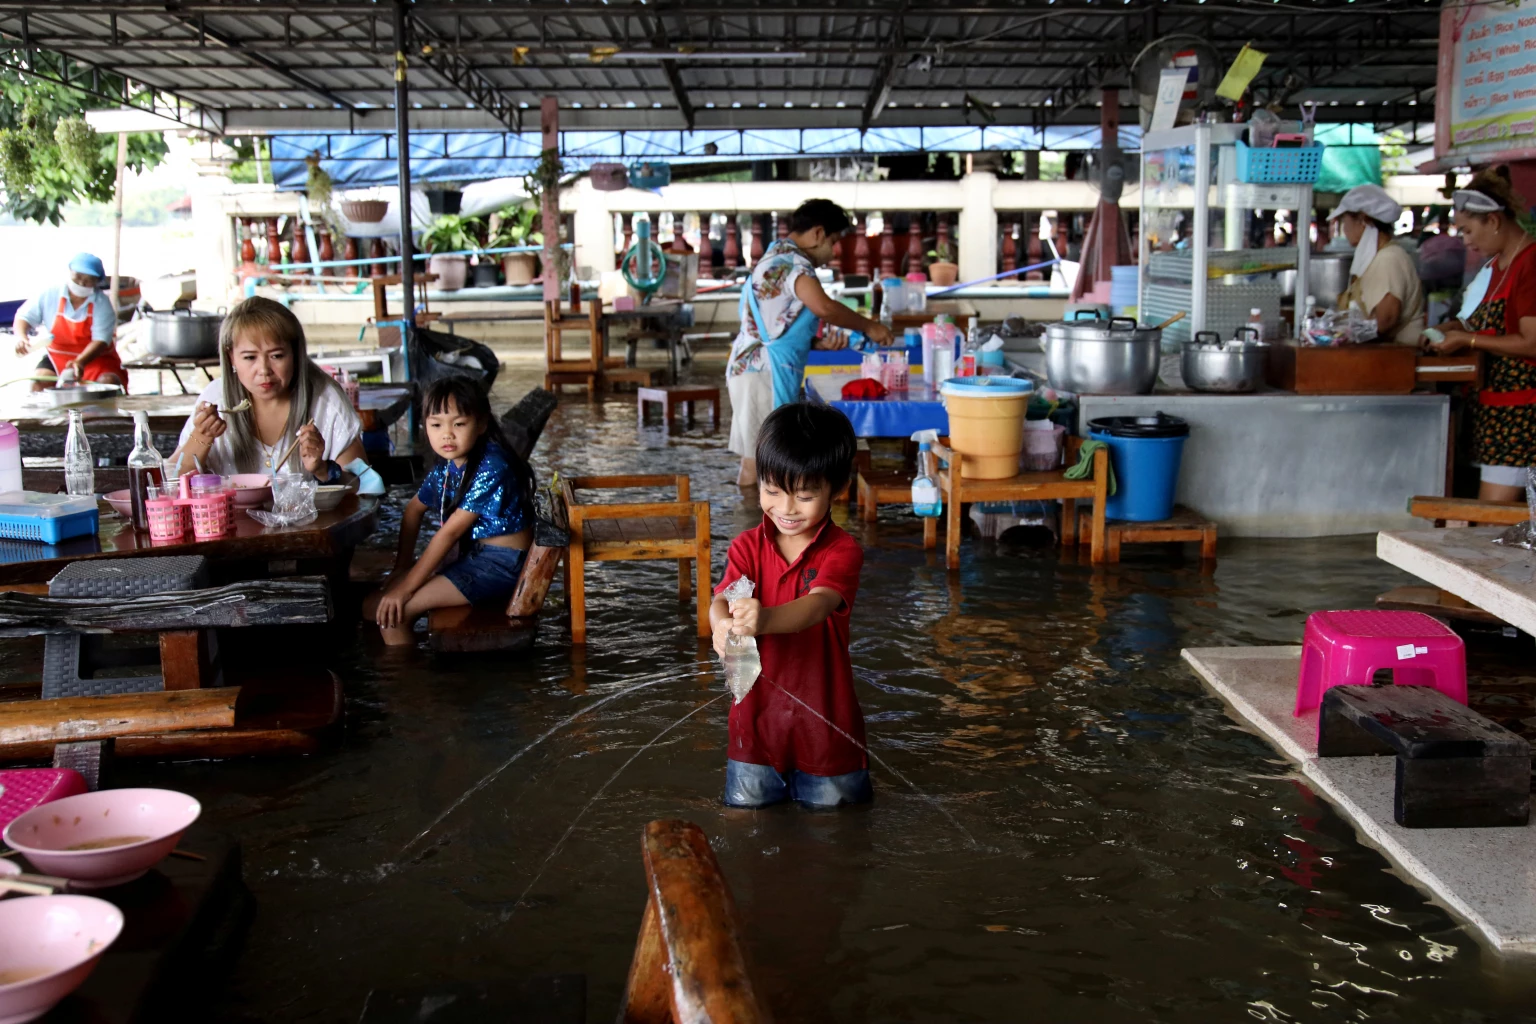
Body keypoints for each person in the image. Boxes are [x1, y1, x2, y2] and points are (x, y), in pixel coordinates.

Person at [711, 402, 870, 809]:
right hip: (755, 723)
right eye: (772, 491)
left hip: (825, 726)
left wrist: (763, 619)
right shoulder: (746, 547)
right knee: (746, 827)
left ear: (837, 488)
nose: (785, 509)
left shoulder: (842, 551)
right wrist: (720, 626)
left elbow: (817, 606)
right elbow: (722, 601)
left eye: (803, 496)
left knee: (834, 837)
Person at [726, 199, 894, 487]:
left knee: (757, 460)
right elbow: (825, 307)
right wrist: (870, 326)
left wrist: (818, 345)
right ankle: (753, 528)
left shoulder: (773, 257)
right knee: (762, 464)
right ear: (818, 233)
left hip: (754, 369)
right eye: (834, 240)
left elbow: (776, 323)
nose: (834, 251)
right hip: (762, 373)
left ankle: (753, 525)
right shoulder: (793, 264)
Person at [364, 377, 535, 645]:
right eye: (436, 424)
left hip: (501, 564)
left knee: (394, 615)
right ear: (426, 427)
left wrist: (405, 588)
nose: (447, 434)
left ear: (481, 424)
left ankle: (408, 683)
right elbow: (412, 510)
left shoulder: (493, 465)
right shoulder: (447, 466)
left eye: (458, 424)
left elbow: (450, 533)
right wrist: (401, 569)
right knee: (370, 607)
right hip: (474, 556)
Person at [171, 296, 376, 487]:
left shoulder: (325, 401)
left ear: (295, 354)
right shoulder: (217, 399)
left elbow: (364, 486)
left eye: (276, 356)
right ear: (231, 357)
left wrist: (323, 469)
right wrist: (202, 437)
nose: (264, 370)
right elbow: (171, 483)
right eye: (250, 358)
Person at [1424, 166, 1536, 501]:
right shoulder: (1497, 266)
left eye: (1469, 231)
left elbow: (1531, 341)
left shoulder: (1529, 264)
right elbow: (1488, 323)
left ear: (1494, 221)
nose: (1467, 241)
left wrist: (1466, 340)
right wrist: (1451, 329)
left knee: (1490, 521)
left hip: (1522, 415)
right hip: (1496, 412)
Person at [12, 252, 125, 391]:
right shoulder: (50, 294)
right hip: (57, 356)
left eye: (89, 279)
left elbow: (101, 340)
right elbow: (24, 317)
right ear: (70, 272)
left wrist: (80, 362)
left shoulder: (102, 303)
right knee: (39, 381)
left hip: (96, 359)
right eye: (78, 277)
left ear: (97, 281)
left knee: (107, 382)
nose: (82, 282)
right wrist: (22, 338)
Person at [1329, 185, 1426, 345]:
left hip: (1398, 357)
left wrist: (1346, 336)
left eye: (1345, 220)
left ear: (1362, 220)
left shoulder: (1388, 258)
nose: (1344, 228)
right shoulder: (1378, 257)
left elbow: (1386, 319)